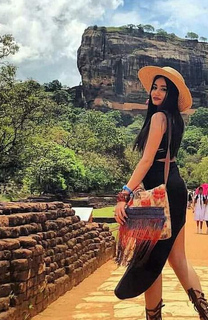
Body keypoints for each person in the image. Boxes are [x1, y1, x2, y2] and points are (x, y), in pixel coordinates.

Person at [113, 66, 208, 319]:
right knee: (177, 258)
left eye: (163, 89)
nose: (157, 92)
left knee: (149, 261)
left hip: (159, 193)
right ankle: (205, 311)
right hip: (174, 189)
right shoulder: (175, 119)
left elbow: (146, 162)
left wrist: (124, 194)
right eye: (155, 87)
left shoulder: (158, 118)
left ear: (172, 93)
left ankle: (153, 317)